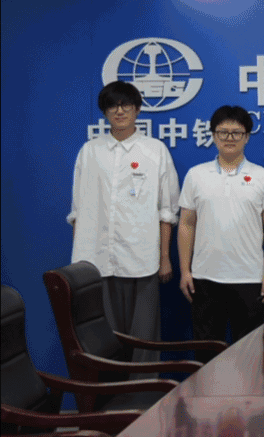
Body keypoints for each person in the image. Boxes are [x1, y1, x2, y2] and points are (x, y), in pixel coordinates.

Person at [67, 80, 179, 364]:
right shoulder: (89, 151)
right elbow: (78, 210)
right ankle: (108, 390)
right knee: (101, 339)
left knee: (144, 339)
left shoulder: (155, 151)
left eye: (126, 105)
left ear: (137, 109)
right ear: (104, 112)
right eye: (112, 106)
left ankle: (143, 389)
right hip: (96, 261)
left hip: (142, 259)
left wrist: (165, 257)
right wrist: (79, 263)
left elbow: (167, 211)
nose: (119, 111)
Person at [178, 105, 264, 361]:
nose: (229, 138)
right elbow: (186, 224)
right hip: (204, 277)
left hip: (249, 277)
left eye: (237, 132)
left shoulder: (263, 177)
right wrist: (185, 271)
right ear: (213, 135)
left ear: (247, 137)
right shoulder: (196, 175)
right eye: (223, 132)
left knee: (249, 353)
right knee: (205, 352)